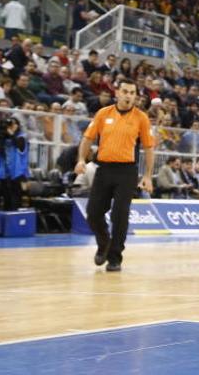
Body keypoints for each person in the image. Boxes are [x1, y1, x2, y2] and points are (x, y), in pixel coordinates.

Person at [75, 79, 155, 272]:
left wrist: (148, 176)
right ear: (117, 93)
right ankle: (104, 243)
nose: (128, 95)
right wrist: (80, 159)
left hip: (127, 172)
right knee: (93, 213)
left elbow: (149, 148)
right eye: (125, 91)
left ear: (135, 96)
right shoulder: (103, 114)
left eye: (132, 92)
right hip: (103, 169)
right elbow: (87, 138)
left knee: (120, 216)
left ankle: (115, 257)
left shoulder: (141, 118)